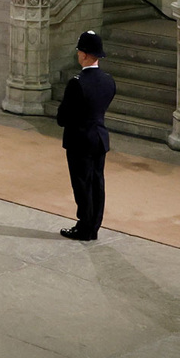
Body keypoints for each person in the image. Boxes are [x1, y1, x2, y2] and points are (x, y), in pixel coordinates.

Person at [57, 30, 115, 241]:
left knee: (82, 184)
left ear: (82, 54)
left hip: (79, 140)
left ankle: (84, 226)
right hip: (99, 137)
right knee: (97, 183)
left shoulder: (77, 82)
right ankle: (93, 227)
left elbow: (63, 117)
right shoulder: (108, 80)